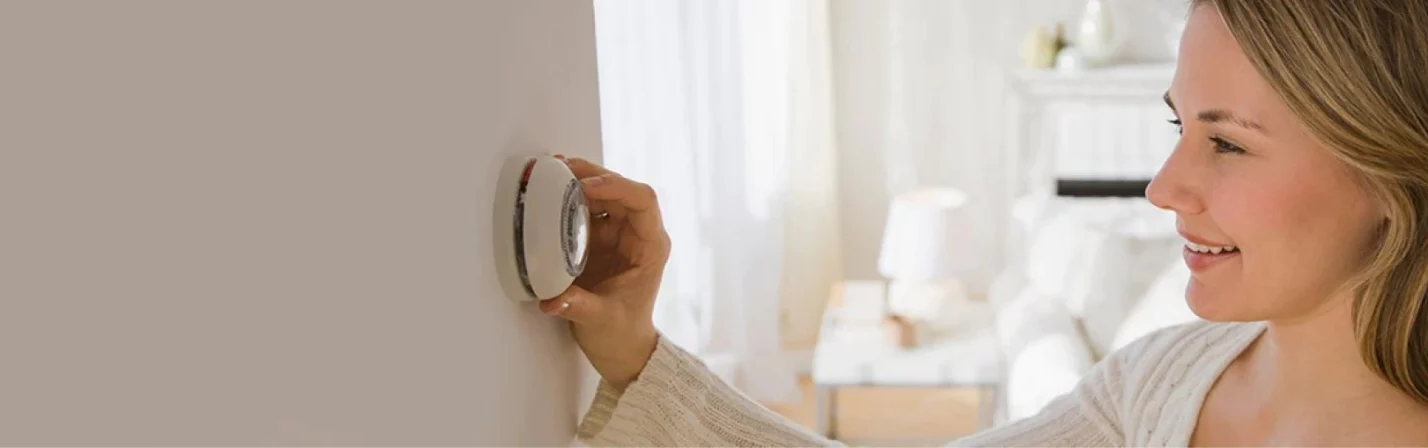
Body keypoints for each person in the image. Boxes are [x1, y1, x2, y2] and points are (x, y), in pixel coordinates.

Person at [543, 0, 1428, 445]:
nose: (1163, 188)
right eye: (1179, 127)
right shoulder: (1163, 382)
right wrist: (638, 353)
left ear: (1391, 172)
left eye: (1227, 144)